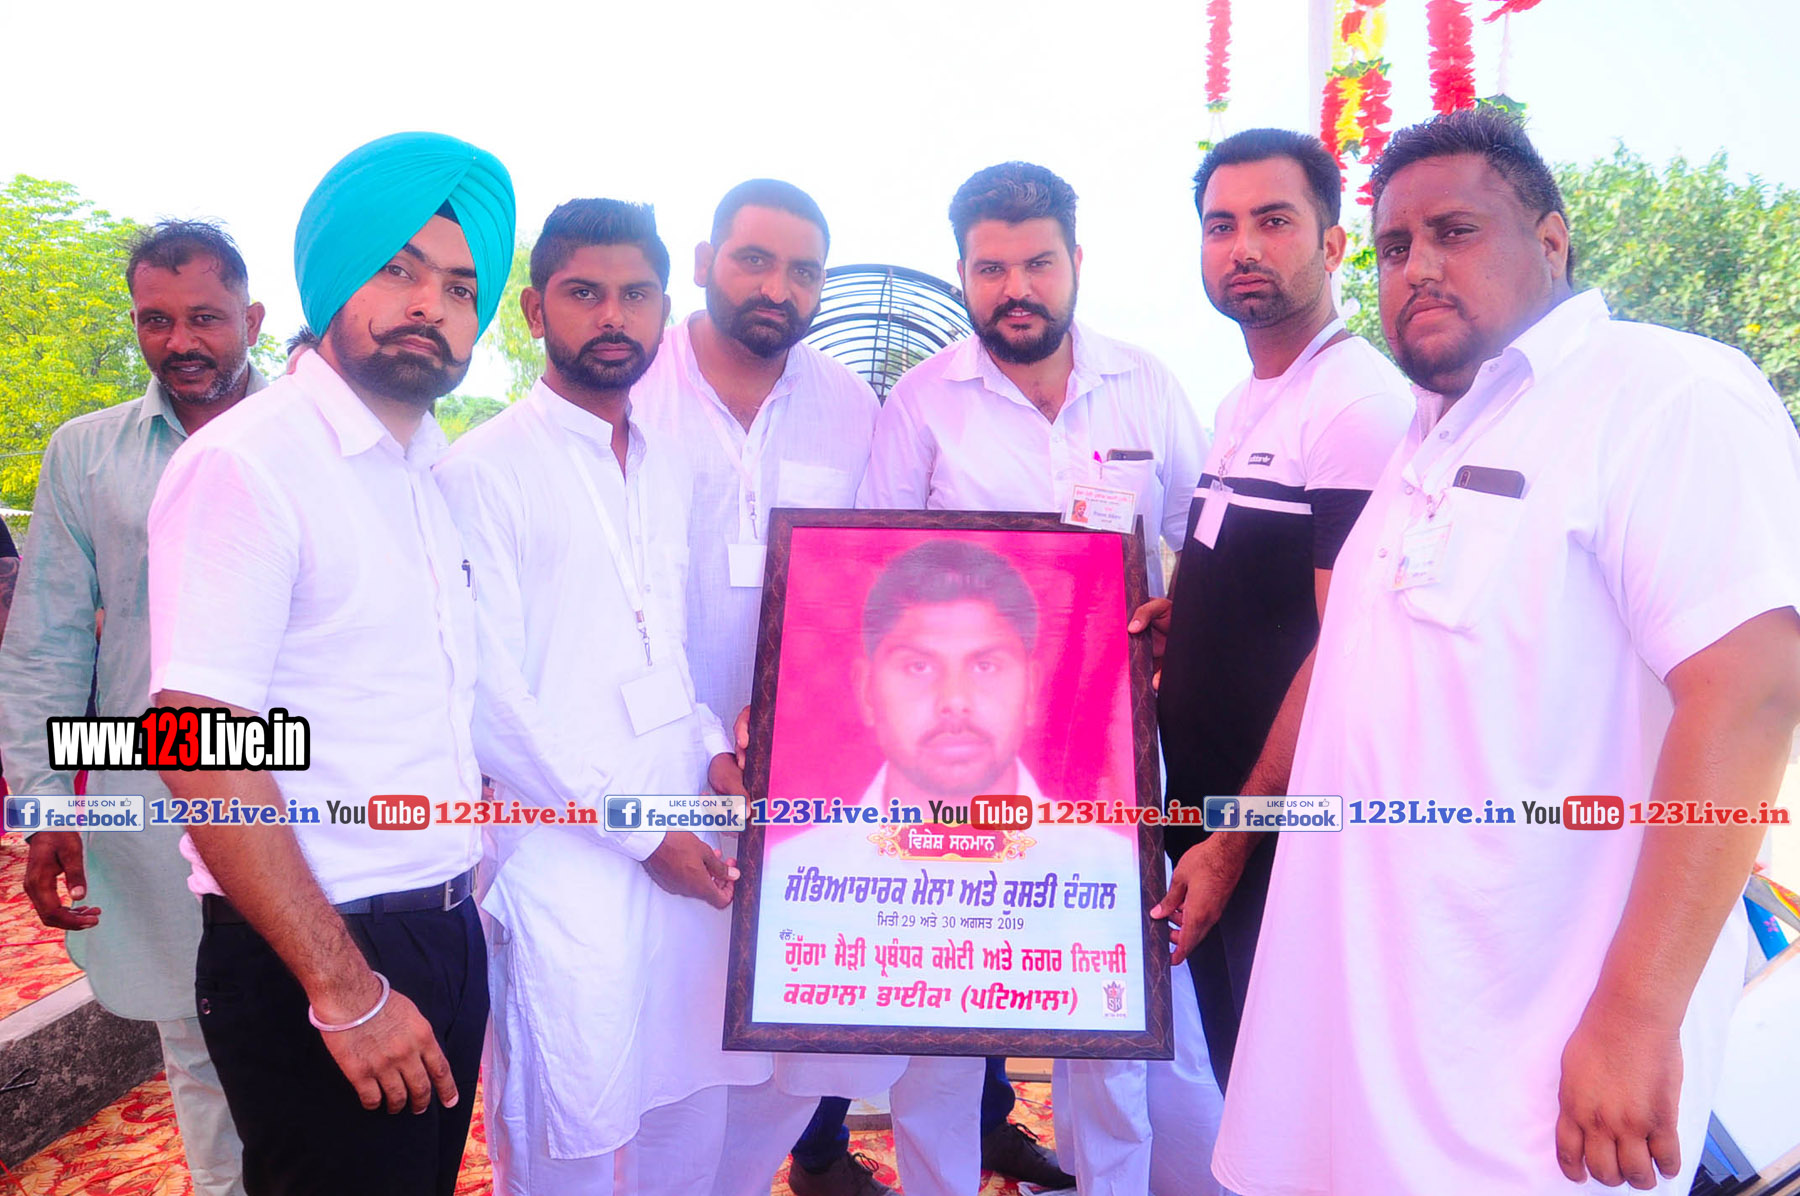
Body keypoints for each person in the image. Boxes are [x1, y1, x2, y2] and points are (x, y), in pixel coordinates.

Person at [1213, 108, 1800, 1196]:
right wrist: (1238, 832)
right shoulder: (1430, 434)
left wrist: (1638, 1012)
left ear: (1553, 241)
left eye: (1456, 231)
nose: (1419, 267)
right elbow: (1350, 661)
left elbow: (1753, 692)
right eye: (1395, 246)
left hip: (1527, 1068)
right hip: (1361, 1039)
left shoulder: (1667, 393)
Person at [145, 131, 515, 1196]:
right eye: (398, 268)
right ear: (334, 273)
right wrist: (345, 990)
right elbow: (192, 739)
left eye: (461, 286)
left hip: (438, 928)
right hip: (321, 952)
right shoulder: (251, 461)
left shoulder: (422, 472)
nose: (430, 303)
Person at [860, 161, 1216, 1196]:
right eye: (991, 269)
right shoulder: (922, 404)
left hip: (1112, 756)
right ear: (963, 276)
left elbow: (1199, 537)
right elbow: (872, 564)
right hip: (954, 763)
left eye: (1037, 264)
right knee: (940, 1017)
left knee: (1107, 1012)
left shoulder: (1145, 384)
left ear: (1076, 263)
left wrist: (1179, 608)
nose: (1016, 288)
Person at [435, 198, 767, 1196]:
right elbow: (491, 703)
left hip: (685, 820)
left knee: (689, 1097)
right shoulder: (481, 471)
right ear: (536, 310)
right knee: (568, 1117)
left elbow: (668, 643)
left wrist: (711, 749)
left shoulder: (668, 464)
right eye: (585, 293)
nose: (613, 315)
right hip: (566, 848)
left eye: (636, 294)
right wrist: (642, 835)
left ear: (666, 307)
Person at [1135, 129, 1411, 1092]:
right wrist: (1191, 619)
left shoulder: (1355, 406)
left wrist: (1236, 840)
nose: (1243, 247)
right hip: (1208, 814)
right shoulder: (1245, 402)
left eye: (1273, 221)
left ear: (1333, 245)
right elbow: (1265, 582)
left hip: (1278, 839)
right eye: (1221, 226)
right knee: (1243, 1082)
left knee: (1295, 1098)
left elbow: (1351, 645)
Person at [0, 220, 271, 1196]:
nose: (180, 341)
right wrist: (42, 806)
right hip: (149, 791)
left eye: (205, 317)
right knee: (196, 1044)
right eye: (157, 320)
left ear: (253, 318)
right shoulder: (87, 453)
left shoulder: (313, 439)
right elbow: (48, 641)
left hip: (302, 787)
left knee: (321, 1035)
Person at [630, 179, 886, 1196]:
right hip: (659, 763)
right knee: (673, 1030)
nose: (778, 287)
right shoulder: (635, 383)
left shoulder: (849, 405)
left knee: (799, 1038)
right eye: (754, 260)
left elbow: (875, 575)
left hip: (805, 769)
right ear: (704, 262)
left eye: (804, 271)